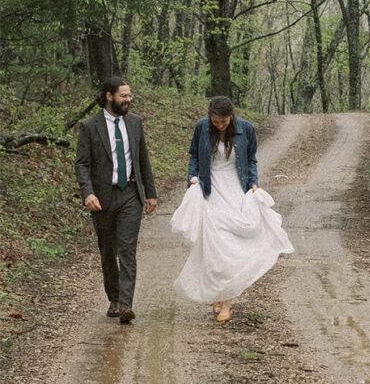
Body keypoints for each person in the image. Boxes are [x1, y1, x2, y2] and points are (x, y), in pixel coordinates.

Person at [170, 96, 293, 322]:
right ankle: (222, 296)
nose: (219, 125)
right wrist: (193, 179)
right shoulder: (201, 127)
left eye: (223, 122)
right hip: (210, 190)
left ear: (231, 117)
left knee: (231, 244)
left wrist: (253, 183)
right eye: (215, 121)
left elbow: (251, 159)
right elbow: (194, 157)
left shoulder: (246, 129)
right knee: (215, 245)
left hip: (236, 189)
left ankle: (225, 299)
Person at [75, 77, 158, 323]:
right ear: (109, 96)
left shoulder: (135, 123)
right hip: (102, 196)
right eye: (124, 95)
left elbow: (143, 159)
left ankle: (125, 303)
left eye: (130, 95)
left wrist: (150, 193)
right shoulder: (90, 126)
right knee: (108, 250)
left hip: (131, 193)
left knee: (127, 249)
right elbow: (82, 164)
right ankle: (113, 297)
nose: (128, 99)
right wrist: (88, 192)